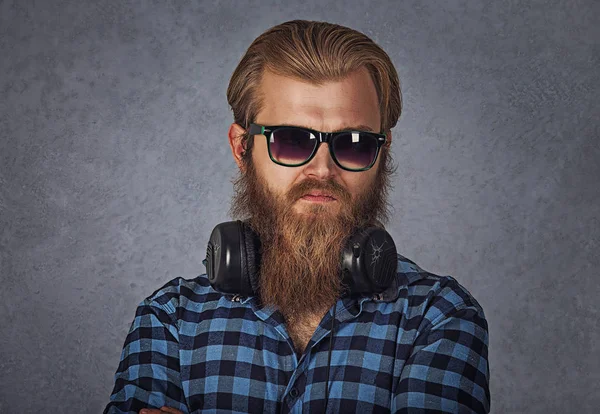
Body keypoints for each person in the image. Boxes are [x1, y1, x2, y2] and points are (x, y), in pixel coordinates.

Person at [104, 19, 491, 413]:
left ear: (382, 153)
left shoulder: (439, 317)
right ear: (242, 148)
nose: (322, 170)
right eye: (291, 140)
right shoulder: (170, 319)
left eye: (354, 144)